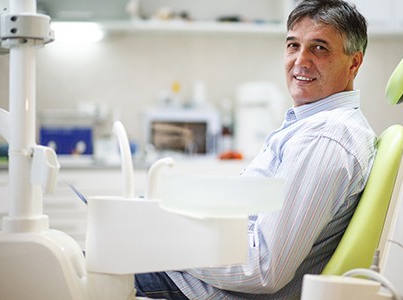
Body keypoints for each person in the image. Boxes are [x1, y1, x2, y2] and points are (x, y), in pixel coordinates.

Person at [135, 0, 376, 298]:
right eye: (293, 45)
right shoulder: (311, 125)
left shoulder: (325, 137)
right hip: (197, 276)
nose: (300, 60)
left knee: (73, 265)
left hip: (196, 290)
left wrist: (166, 240)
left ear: (354, 63)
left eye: (319, 48)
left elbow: (263, 269)